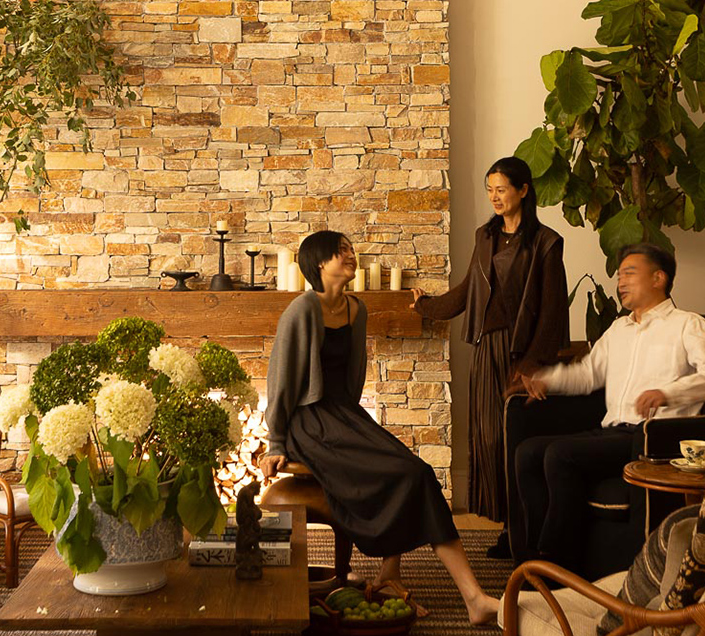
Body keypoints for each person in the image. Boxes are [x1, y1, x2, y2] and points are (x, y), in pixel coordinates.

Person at [260, 230, 499, 625]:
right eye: (341, 251)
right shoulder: (300, 311)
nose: (351, 255)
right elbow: (280, 383)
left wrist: (354, 423)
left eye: (351, 249)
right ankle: (455, 592)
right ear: (319, 262)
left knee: (417, 472)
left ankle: (448, 590)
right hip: (309, 422)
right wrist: (275, 443)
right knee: (405, 471)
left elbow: (353, 376)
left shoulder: (357, 310)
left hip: (343, 415)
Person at [410, 156, 569, 556]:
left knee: (516, 441)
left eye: (501, 189)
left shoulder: (546, 243)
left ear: (523, 190)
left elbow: (552, 312)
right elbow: (469, 290)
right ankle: (506, 528)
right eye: (489, 190)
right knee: (487, 441)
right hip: (486, 350)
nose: (494, 197)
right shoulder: (485, 236)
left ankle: (522, 531)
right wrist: (427, 306)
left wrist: (532, 365)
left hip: (522, 354)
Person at [514, 243, 705, 570]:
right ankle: (530, 556)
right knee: (528, 452)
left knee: (560, 454)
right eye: (619, 276)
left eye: (630, 273)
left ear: (658, 278)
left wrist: (667, 393)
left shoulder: (687, 324)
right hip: (610, 434)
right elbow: (588, 374)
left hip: (651, 441)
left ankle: (557, 563)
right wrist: (546, 380)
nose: (620, 282)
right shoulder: (618, 329)